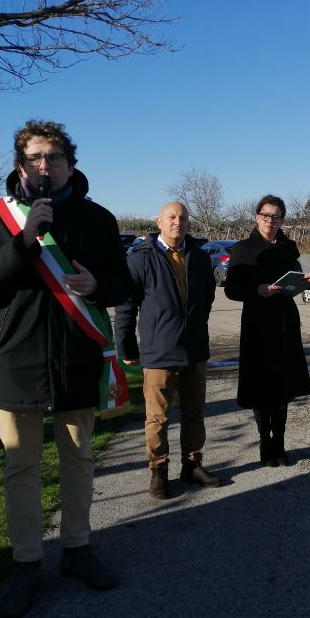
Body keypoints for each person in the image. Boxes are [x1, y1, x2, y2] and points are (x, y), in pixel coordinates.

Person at [0, 120, 133, 618]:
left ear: (71, 164)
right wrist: (24, 240)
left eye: (54, 157)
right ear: (20, 166)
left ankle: (78, 550)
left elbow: (125, 287)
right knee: (22, 467)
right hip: (14, 363)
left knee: (79, 460)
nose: (44, 165)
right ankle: (26, 563)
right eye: (35, 157)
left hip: (77, 361)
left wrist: (98, 284)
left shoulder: (98, 220)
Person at [114, 202, 219, 499]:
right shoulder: (140, 258)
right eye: (171, 217)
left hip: (195, 351)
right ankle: (159, 470)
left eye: (183, 217)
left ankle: (192, 465)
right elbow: (126, 305)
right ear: (159, 221)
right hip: (159, 353)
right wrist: (126, 346)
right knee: (157, 418)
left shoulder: (199, 257)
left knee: (195, 412)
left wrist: (195, 327)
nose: (178, 222)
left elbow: (207, 298)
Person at [224, 195, 310, 466]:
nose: (271, 220)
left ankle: (280, 443)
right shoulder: (242, 249)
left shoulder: (289, 246)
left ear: (283, 219)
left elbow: (308, 276)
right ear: (257, 216)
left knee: (283, 390)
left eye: (277, 216)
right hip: (258, 325)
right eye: (266, 215)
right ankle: (264, 441)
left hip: (285, 324)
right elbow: (233, 289)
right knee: (262, 390)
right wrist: (257, 290)